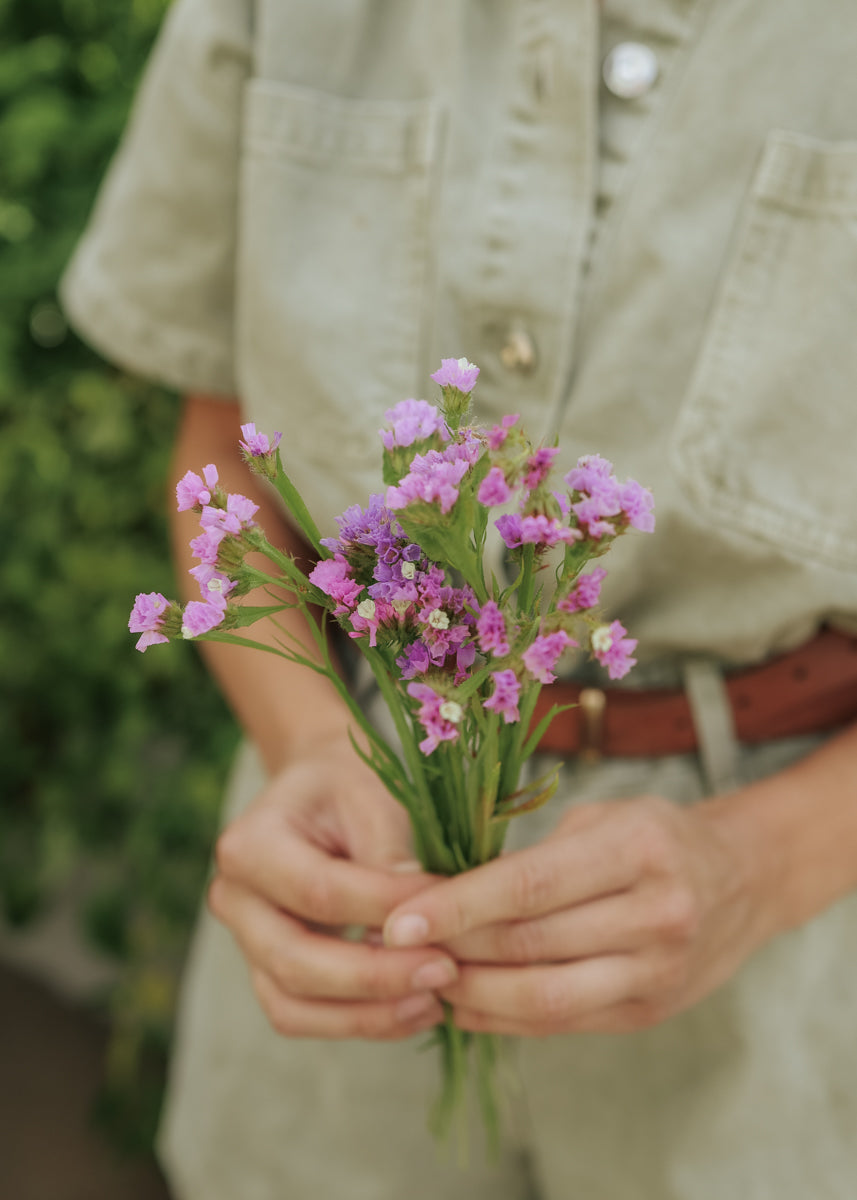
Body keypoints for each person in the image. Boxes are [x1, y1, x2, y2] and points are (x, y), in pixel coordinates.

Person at [61, 1, 857, 1196]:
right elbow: (218, 443)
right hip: (348, 954)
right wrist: (310, 744)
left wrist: (763, 866)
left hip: (784, 1016)